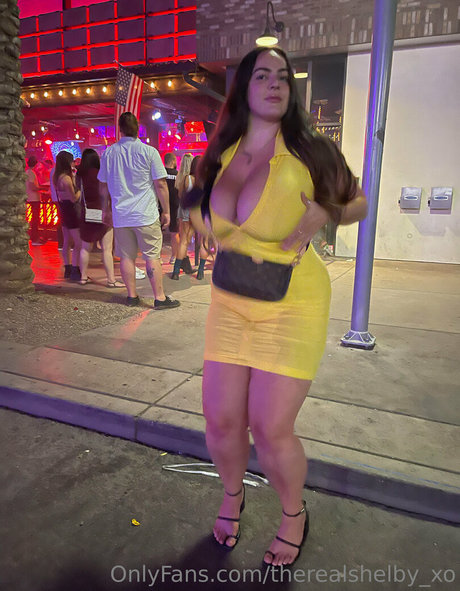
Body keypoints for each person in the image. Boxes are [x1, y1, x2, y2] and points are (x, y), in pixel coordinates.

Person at [185, 47, 367, 566]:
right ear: (243, 88)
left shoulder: (311, 150)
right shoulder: (222, 149)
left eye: (283, 77)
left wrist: (327, 212)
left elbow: (359, 202)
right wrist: (198, 220)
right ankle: (232, 496)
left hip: (293, 302)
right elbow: (196, 198)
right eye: (262, 75)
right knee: (221, 421)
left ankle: (293, 514)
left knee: (269, 428)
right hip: (230, 299)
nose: (275, 84)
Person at [98, 112, 180, 310]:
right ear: (137, 128)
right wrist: (167, 211)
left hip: (121, 215)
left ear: (120, 129)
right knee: (152, 256)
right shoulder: (149, 152)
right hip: (145, 214)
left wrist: (105, 209)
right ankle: (159, 298)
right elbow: (161, 184)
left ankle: (132, 296)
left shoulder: (109, 153)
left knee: (127, 256)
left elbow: (102, 186)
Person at [76, 148, 124, 288]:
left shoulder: (80, 175)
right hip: (103, 213)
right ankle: (111, 280)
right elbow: (108, 192)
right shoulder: (102, 173)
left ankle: (83, 277)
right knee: (107, 249)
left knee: (85, 248)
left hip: (87, 213)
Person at [171, 155, 209, 280]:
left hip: (187, 211)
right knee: (204, 243)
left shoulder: (187, 178)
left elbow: (181, 195)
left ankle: (176, 272)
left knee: (184, 241)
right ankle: (200, 273)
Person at [53, 150, 82, 281]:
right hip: (72, 211)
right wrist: (80, 191)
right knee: (78, 242)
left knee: (67, 241)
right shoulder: (66, 179)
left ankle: (68, 268)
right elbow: (73, 198)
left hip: (63, 208)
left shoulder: (57, 177)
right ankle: (75, 269)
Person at [163, 152, 180, 264]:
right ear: (173, 161)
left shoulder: (161, 173)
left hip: (162, 206)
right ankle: (174, 256)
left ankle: (157, 258)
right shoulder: (178, 174)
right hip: (175, 206)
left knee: (158, 233)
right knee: (175, 233)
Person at [25, 156, 45, 246]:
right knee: (35, 220)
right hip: (34, 199)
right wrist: (41, 188)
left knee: (34, 219)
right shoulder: (31, 173)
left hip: (30, 198)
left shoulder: (27, 172)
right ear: (35, 164)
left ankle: (35, 238)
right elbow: (32, 186)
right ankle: (35, 238)